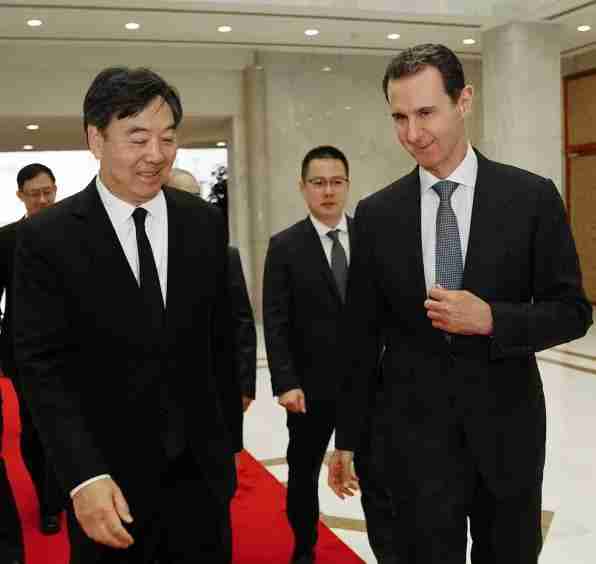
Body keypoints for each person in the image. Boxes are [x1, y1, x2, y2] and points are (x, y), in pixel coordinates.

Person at [328, 43, 593, 564]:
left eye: (426, 112)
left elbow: (572, 310)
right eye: (399, 117)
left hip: (507, 435)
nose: (412, 133)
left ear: (463, 101)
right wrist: (348, 437)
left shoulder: (530, 198)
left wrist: (494, 318)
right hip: (413, 441)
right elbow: (361, 335)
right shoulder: (378, 215)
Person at [13, 66, 241, 564]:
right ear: (96, 139)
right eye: (137, 138)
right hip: (108, 485)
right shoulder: (47, 238)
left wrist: (227, 449)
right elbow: (40, 368)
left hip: (201, 482)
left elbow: (218, 338)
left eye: (168, 138)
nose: (155, 154)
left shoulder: (202, 222)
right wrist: (82, 476)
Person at [263, 146, 396, 564]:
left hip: (368, 384)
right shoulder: (285, 246)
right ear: (303, 187)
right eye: (318, 183)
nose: (328, 191)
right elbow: (276, 320)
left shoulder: (372, 240)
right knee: (303, 474)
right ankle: (304, 549)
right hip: (310, 387)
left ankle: (388, 552)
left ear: (348, 185)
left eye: (336, 182)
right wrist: (286, 382)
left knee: (378, 476)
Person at [0, 163, 64, 545]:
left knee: (75, 422)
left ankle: (71, 488)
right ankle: (49, 501)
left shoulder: (75, 232)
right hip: (25, 352)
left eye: (48, 191)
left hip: (75, 350)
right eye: (34, 194)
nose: (43, 199)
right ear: (20, 196)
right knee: (35, 428)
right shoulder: (6, 239)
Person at [167, 168, 257, 413]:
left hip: (218, 388)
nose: (195, 204)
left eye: (197, 196)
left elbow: (242, 323)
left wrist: (245, 385)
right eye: (184, 196)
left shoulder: (226, 255)